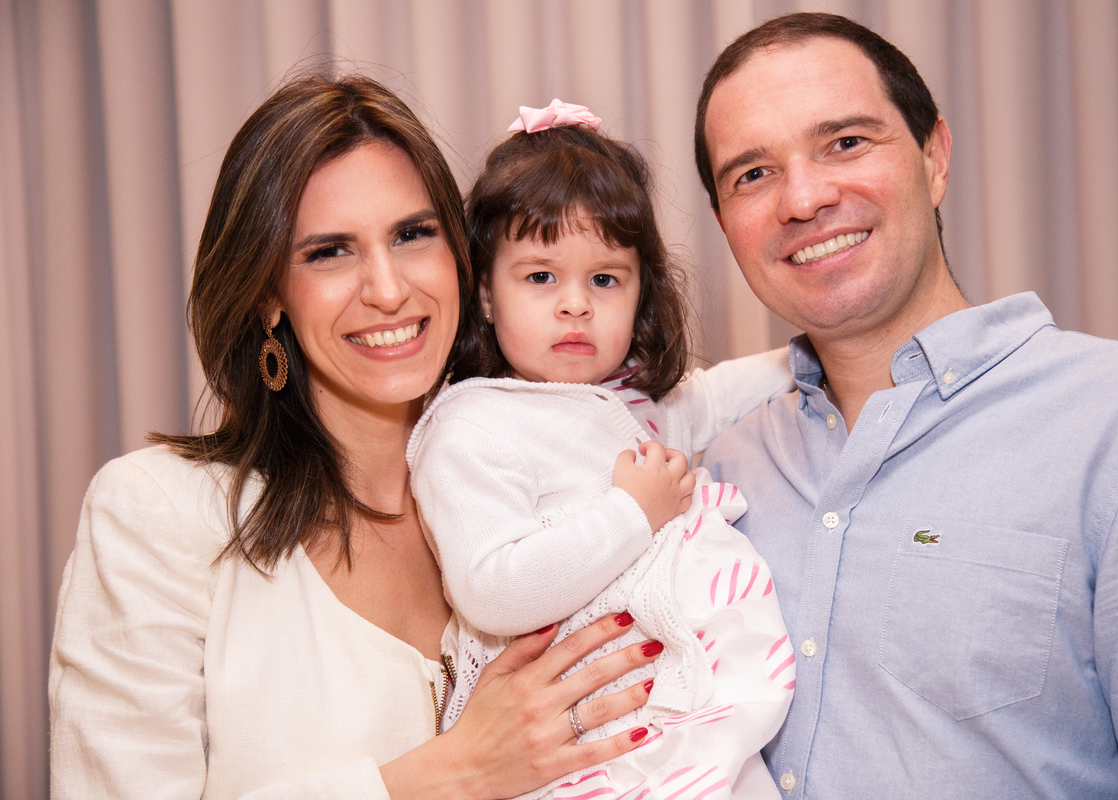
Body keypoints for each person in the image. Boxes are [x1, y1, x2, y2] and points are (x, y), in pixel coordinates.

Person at [48, 75, 669, 800]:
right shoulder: (157, 514)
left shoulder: (563, 467)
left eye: (412, 234)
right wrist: (449, 775)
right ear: (266, 293)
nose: (387, 288)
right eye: (329, 252)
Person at [694, 12, 1118, 799]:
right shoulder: (713, 474)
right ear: (725, 224)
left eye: (846, 143)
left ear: (934, 158)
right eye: (751, 175)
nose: (803, 197)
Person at [406, 104, 796, 798]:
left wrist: (830, 346)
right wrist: (632, 513)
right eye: (540, 277)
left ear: (641, 292)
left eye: (605, 279)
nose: (576, 305)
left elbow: (720, 395)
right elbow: (491, 589)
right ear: (486, 295)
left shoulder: (630, 404)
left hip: (679, 720)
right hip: (577, 743)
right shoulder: (470, 425)